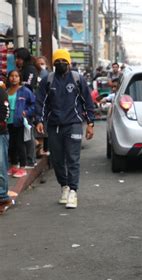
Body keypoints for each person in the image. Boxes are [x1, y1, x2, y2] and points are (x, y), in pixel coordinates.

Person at [35, 49, 95, 209]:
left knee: (73, 158)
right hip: (54, 126)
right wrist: (39, 120)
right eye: (57, 61)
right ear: (53, 64)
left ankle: (73, 191)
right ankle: (64, 187)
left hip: (74, 124)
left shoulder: (77, 79)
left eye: (63, 61)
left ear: (68, 63)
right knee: (57, 160)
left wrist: (90, 123)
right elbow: (40, 102)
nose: (60, 64)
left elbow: (87, 102)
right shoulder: (47, 80)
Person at [6, 70, 36, 178]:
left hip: (20, 121)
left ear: (20, 78)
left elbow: (34, 104)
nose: (14, 78)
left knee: (20, 144)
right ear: (8, 78)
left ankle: (22, 168)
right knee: (11, 145)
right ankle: (14, 166)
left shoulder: (25, 91)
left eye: (16, 76)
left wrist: (26, 112)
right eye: (11, 76)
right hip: (7, 121)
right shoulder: (6, 91)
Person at [0, 86, 13, 214]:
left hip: (1, 134)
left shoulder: (1, 91)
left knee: (1, 166)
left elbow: (5, 113)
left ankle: (3, 197)